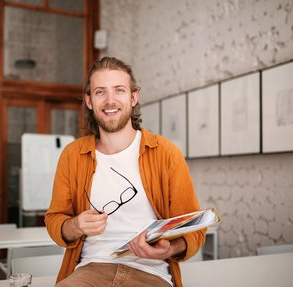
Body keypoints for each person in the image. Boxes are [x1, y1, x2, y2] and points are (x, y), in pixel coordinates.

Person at [45, 57, 205, 287]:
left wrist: (170, 248)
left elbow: (192, 229)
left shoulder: (166, 153)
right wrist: (76, 225)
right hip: (90, 271)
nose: (110, 101)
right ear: (89, 101)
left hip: (151, 273)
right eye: (100, 92)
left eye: (119, 90)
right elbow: (54, 220)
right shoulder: (72, 155)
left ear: (133, 97)